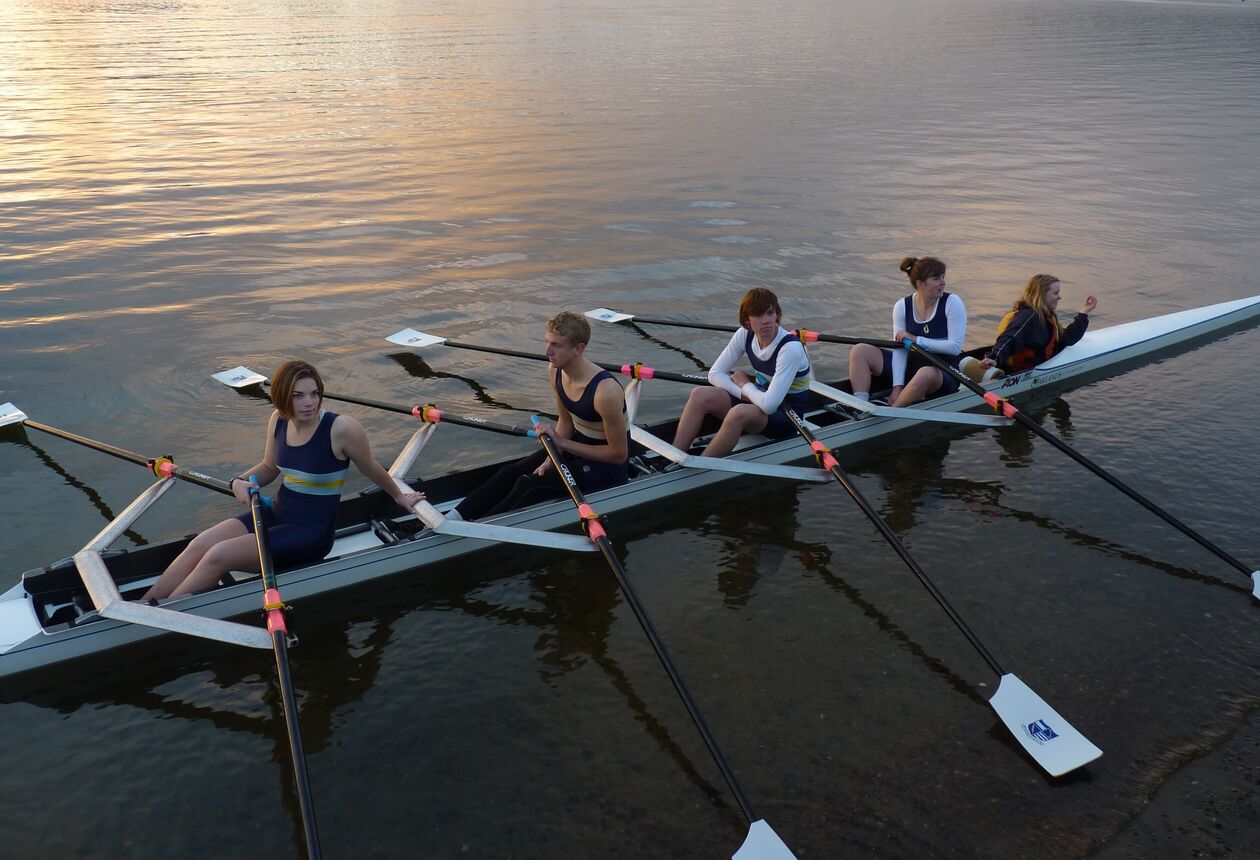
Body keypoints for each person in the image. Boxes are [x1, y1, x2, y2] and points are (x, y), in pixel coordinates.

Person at [141, 360, 424, 601]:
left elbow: (370, 468)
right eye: (298, 395)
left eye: (314, 393)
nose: (309, 402)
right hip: (277, 513)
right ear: (281, 396)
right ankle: (146, 603)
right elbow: (268, 468)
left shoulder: (342, 429)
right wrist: (239, 480)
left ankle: (162, 617)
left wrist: (399, 495)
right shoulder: (278, 419)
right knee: (201, 544)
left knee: (219, 555)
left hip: (311, 532)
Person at [452, 312, 629, 520]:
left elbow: (619, 455)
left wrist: (562, 443)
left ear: (578, 349)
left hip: (606, 469)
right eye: (548, 343)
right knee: (509, 472)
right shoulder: (556, 372)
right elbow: (565, 421)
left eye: (556, 345)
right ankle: (451, 519)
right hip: (576, 449)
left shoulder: (604, 392)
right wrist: (550, 459)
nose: (548, 351)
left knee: (528, 485)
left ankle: (471, 535)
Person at [671, 287, 813, 458]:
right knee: (699, 394)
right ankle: (675, 456)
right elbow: (714, 373)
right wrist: (742, 392)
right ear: (747, 321)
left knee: (738, 413)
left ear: (777, 315)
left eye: (770, 313)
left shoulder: (790, 349)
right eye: (758, 315)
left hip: (787, 419)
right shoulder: (744, 335)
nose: (766, 321)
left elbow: (769, 405)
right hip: (758, 399)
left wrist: (746, 385)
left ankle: (700, 467)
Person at [848, 256, 966, 407]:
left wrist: (916, 339)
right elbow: (899, 349)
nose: (943, 282)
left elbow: (955, 348)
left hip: (943, 372)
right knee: (859, 350)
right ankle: (860, 405)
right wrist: (897, 387)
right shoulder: (902, 306)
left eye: (943, 277)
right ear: (920, 284)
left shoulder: (952, 302)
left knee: (925, 373)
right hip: (911, 368)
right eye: (936, 279)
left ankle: (893, 411)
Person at [979, 274, 1097, 374]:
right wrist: (994, 358)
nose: (1060, 297)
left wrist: (1083, 313)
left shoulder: (1044, 316)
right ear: (1042, 295)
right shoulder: (1029, 317)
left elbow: (1066, 339)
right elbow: (1011, 337)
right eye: (1056, 293)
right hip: (1018, 372)